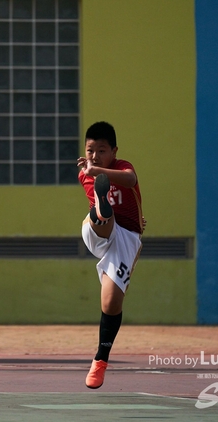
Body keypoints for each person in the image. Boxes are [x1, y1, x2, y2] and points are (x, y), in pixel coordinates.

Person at [76, 121, 144, 389]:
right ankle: (101, 209)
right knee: (102, 216)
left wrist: (100, 171)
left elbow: (130, 180)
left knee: (111, 303)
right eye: (90, 150)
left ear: (114, 151)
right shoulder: (85, 174)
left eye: (102, 150)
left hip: (126, 238)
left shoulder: (123, 167)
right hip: (98, 230)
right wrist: (93, 173)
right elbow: (91, 170)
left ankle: (100, 360)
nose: (95, 156)